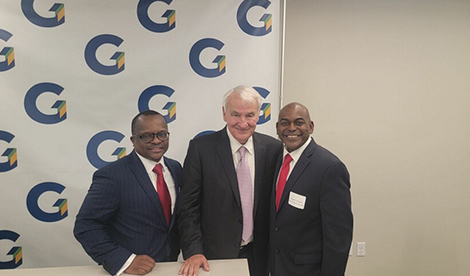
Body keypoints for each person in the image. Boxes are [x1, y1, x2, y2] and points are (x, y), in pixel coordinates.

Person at [177, 85, 282, 276]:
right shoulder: (201, 149)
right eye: (236, 114)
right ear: (224, 114)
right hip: (212, 257)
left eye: (249, 115)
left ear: (259, 115)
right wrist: (194, 251)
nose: (243, 123)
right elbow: (187, 207)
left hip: (260, 257)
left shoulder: (274, 149)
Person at [74, 110, 182, 275]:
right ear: (133, 140)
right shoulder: (113, 175)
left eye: (162, 134)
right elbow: (86, 225)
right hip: (131, 272)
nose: (156, 141)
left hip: (171, 268)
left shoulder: (175, 168)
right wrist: (124, 260)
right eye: (147, 136)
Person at [270, 102, 353, 276]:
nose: (292, 128)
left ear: (311, 126)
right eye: (285, 123)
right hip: (276, 267)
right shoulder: (274, 160)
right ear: (277, 128)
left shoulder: (330, 167)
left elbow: (338, 238)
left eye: (299, 122)